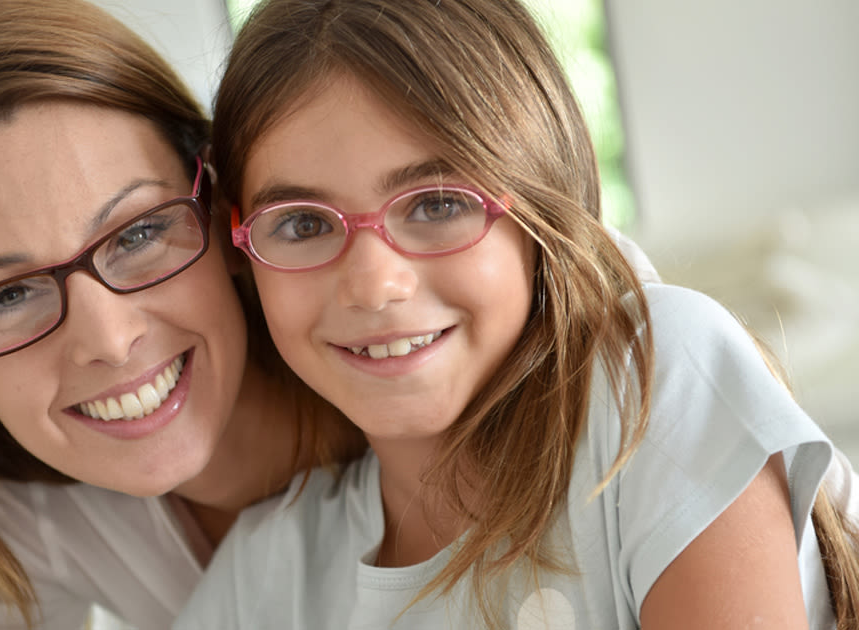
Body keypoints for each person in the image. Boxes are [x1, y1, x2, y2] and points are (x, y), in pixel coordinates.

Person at [173, 0, 859, 628]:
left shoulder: (653, 382)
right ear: (240, 248)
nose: (374, 284)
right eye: (301, 224)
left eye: (437, 204)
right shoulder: (264, 579)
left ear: (537, 209)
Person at [0, 1, 370, 628]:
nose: (108, 338)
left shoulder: (414, 405)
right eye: (6, 296)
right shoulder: (17, 519)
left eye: (137, 235)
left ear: (219, 211)